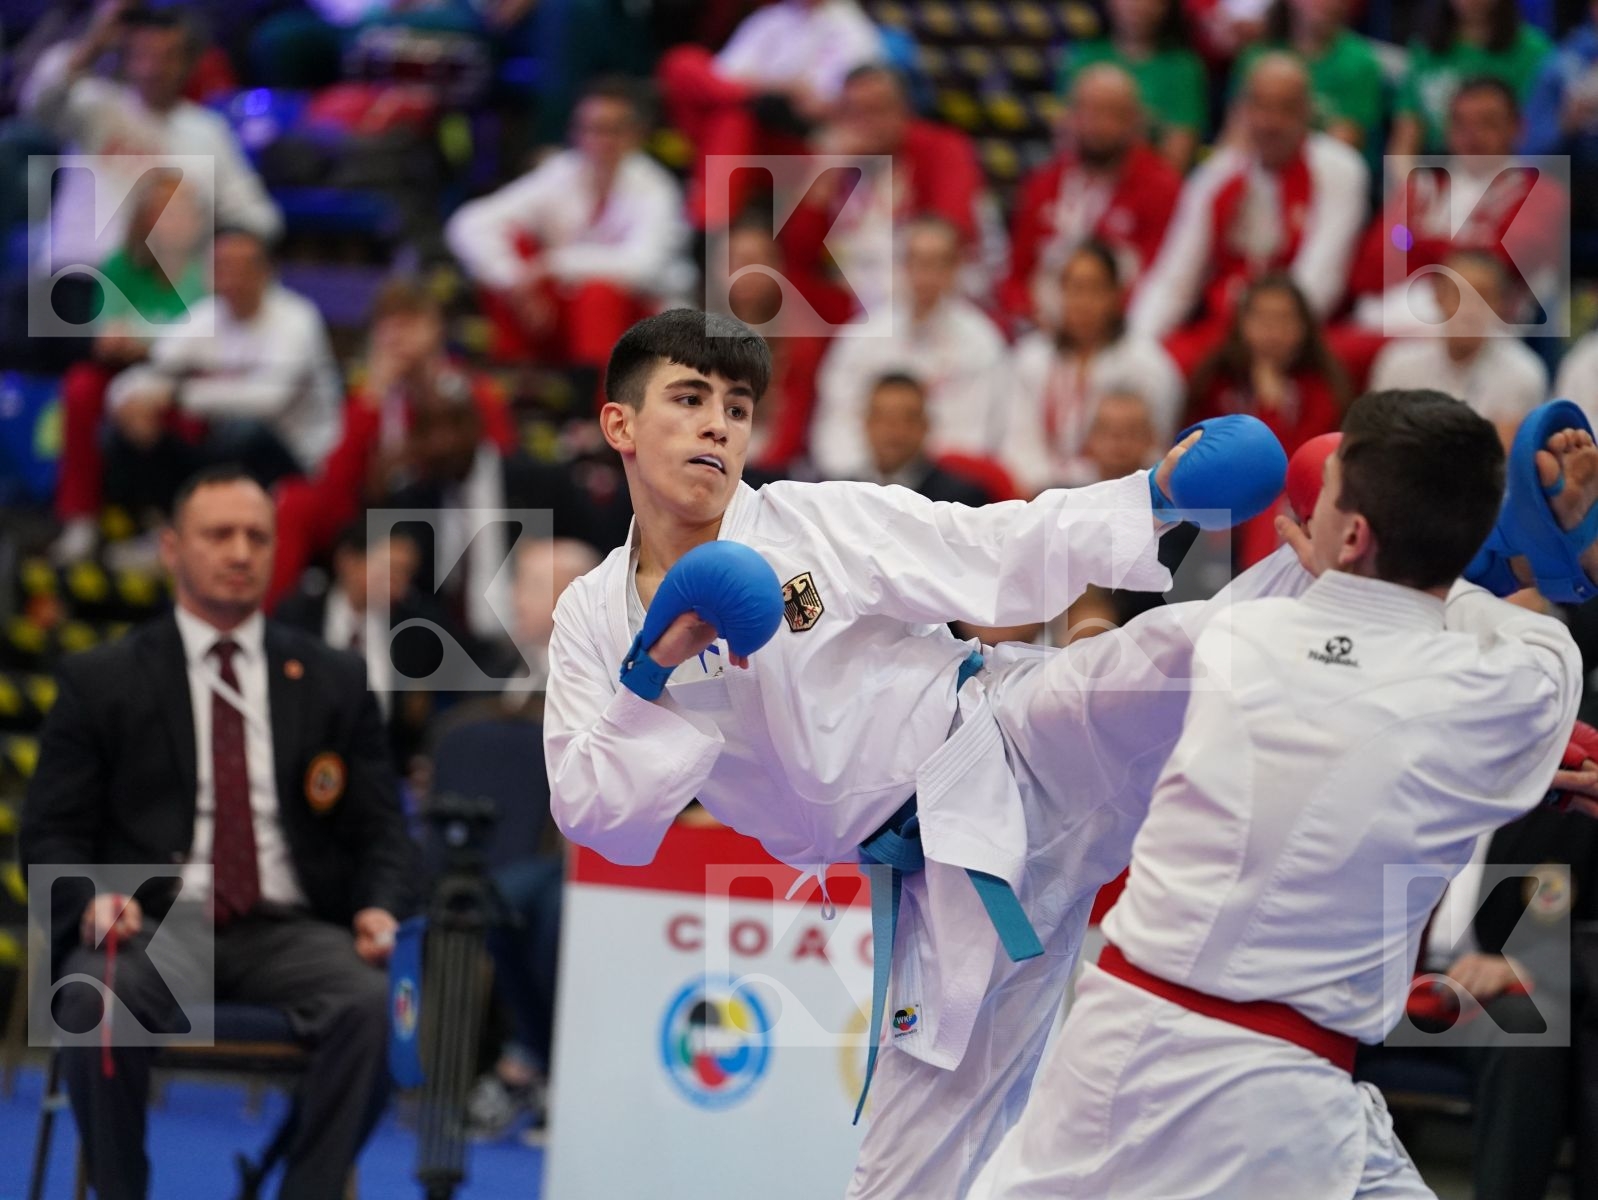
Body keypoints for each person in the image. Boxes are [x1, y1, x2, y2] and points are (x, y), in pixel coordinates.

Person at [544, 308, 1293, 1197]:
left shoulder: (813, 523)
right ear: (620, 425)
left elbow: (989, 545)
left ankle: (1360, 566)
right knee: (907, 1175)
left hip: (1003, 740)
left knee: (1181, 656)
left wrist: (1152, 499)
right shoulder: (591, 620)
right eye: (690, 398)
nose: (718, 424)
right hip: (944, 882)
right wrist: (652, 666)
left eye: (738, 408)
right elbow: (596, 816)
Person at [969, 389, 1588, 1200]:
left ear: (1352, 533)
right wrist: (1541, 540)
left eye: (1324, 488)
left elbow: (1353, 625)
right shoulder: (1507, 682)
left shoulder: (1235, 634)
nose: (1303, 501)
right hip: (1268, 1085)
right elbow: (1537, 616)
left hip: (1149, 1042)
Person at [20, 466, 416, 1200]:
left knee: (377, 1005)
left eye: (256, 537)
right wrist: (90, 902)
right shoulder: (102, 680)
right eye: (219, 535)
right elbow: (49, 835)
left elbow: (384, 832)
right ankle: (120, 1190)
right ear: (172, 549)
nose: (240, 552)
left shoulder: (332, 678)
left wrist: (379, 908)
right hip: (158, 927)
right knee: (91, 998)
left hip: (287, 929)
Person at [444, 77, 692, 396]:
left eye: (611, 129)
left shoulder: (656, 188)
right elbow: (470, 223)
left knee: (599, 293)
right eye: (590, 129)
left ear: (634, 135)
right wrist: (515, 279)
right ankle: (523, 381)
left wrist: (554, 264)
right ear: (576, 133)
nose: (600, 140)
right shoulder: (562, 172)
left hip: (643, 317)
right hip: (562, 314)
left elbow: (643, 267)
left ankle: (599, 402)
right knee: (514, 249)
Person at [1127, 54, 1368, 358]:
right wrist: (1134, 345)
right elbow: (1174, 278)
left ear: (1308, 112)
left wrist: (1271, 334)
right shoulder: (1215, 177)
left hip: (1305, 337)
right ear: (1241, 111)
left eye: (1286, 109)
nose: (1270, 122)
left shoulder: (1340, 170)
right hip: (1225, 335)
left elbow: (1322, 278)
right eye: (1261, 107)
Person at [104, 228, 344, 516]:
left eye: (241, 266)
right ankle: (160, 523)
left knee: (239, 430)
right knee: (125, 429)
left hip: (301, 455)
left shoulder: (297, 319)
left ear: (266, 270)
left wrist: (177, 396)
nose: (232, 277)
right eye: (222, 266)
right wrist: (129, 401)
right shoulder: (207, 316)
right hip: (223, 448)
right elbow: (146, 373)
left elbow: (266, 401)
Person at [22, 3, 281, 270]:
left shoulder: (208, 130)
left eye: (168, 57)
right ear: (127, 58)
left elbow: (258, 216)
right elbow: (35, 101)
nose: (153, 69)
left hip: (164, 289)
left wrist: (202, 229)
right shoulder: (93, 104)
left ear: (189, 62)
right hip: (81, 271)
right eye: (143, 55)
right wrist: (95, 42)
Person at [1351, 76, 1568, 333]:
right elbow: (1368, 271)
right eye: (1460, 123)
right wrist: (1453, 252)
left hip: (1482, 331)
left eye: (1487, 123)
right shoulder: (1420, 186)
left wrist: (1414, 243)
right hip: (1389, 321)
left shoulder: (1542, 194)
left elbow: (1493, 270)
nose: (1472, 135)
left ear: (1517, 128)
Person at [810, 216, 1011, 480]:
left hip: (941, 490)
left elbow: (972, 437)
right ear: (903, 266)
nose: (926, 275)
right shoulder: (860, 337)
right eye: (917, 261)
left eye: (938, 263)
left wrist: (911, 479)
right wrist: (865, 480)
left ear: (955, 269)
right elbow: (835, 424)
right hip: (863, 481)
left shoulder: (981, 344)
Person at [655, 0, 884, 227]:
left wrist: (761, 88)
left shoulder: (854, 30)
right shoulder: (770, 18)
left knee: (733, 120)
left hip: (800, 138)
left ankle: (709, 220)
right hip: (750, 114)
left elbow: (820, 105)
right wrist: (775, 87)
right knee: (683, 63)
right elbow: (723, 76)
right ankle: (711, 218)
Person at [1000, 64, 1182, 330]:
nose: (1098, 125)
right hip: (1041, 331)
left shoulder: (1162, 189)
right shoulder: (1042, 185)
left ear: (1134, 120)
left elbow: (1162, 282)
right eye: (1088, 111)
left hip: (1123, 332)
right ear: (1070, 116)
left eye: (1112, 113)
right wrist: (1031, 313)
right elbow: (1015, 277)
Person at [1188, 273, 1349, 566]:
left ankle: (1256, 599)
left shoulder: (1320, 386)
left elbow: (1288, 467)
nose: (1272, 331)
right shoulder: (1217, 378)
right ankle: (1202, 598)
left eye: (1284, 319)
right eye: (1261, 319)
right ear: (1242, 324)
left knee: (1269, 505)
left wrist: (1270, 404)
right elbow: (1196, 449)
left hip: (1290, 504)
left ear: (1303, 328)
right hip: (1221, 498)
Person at [1003, 241, 1184, 495]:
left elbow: (1155, 450)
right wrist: (1051, 496)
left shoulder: (1147, 364)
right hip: (1047, 499)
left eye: (1094, 289)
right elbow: (1019, 447)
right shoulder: (1031, 358)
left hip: (1124, 496)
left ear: (1115, 295)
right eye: (1074, 289)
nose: (1083, 302)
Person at [1368, 249, 1549, 446]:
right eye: (1457, 293)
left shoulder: (1523, 373)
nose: (1469, 308)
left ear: (1500, 303)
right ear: (1438, 296)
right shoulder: (1397, 362)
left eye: (1482, 295)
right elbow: (1377, 443)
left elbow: (1505, 462)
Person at [1054, 0, 1209, 171]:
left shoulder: (1182, 69)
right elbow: (1065, 142)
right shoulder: (1083, 56)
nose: (1138, 5)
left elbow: (1175, 159)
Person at [1389, 0, 1554, 159]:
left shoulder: (1534, 51)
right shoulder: (1424, 49)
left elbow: (1538, 135)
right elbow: (1404, 142)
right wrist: (1409, 184)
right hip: (1437, 166)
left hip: (1510, 167)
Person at [1230, 0, 1387, 151]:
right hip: (1260, 166)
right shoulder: (1257, 56)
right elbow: (1236, 138)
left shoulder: (1359, 62)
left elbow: (1340, 147)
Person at [858, 372, 994, 505]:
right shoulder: (844, 493)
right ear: (866, 423)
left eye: (908, 418)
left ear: (926, 425)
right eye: (883, 417)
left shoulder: (960, 500)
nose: (893, 429)